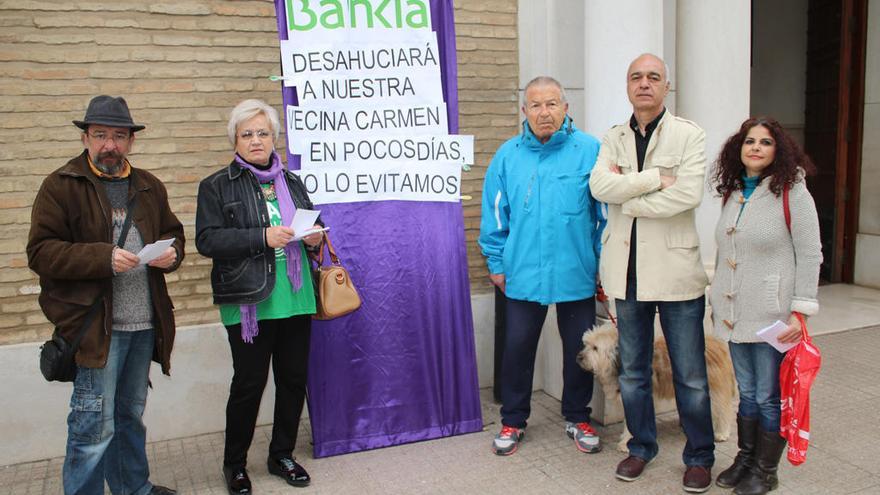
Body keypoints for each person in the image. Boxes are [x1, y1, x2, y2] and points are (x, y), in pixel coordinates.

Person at [27, 95, 184, 495]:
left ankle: (134, 488)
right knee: (93, 425)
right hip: (96, 329)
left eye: (118, 136)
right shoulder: (61, 185)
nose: (109, 144)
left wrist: (173, 254)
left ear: (131, 141)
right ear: (85, 138)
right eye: (100, 135)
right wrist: (103, 258)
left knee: (130, 415)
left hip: (143, 324)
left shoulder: (148, 185)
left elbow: (175, 233)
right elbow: (41, 252)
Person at [589, 53, 715, 492]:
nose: (644, 84)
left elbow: (688, 195)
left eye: (653, 77)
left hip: (677, 272)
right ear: (628, 86)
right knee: (633, 372)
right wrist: (651, 179)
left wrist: (630, 196)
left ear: (666, 87)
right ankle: (641, 446)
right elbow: (599, 186)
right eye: (636, 77)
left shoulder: (689, 135)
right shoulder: (613, 136)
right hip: (626, 273)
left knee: (690, 373)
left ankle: (699, 455)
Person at [195, 99, 325, 494]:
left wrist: (316, 237)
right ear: (235, 139)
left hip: (296, 297)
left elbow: (310, 224)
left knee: (292, 380)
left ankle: (281, 454)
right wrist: (261, 237)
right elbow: (207, 240)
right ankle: (234, 464)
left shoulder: (293, 182)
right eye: (247, 133)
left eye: (263, 133)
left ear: (274, 138)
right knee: (249, 384)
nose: (256, 140)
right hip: (249, 300)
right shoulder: (216, 185)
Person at [479, 76, 605, 456]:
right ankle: (513, 420)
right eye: (535, 105)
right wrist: (497, 263)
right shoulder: (508, 156)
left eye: (552, 104)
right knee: (517, 348)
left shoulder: (591, 150)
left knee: (579, 350)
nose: (544, 112)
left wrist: (602, 265)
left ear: (566, 108)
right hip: (522, 273)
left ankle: (577, 417)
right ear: (525, 111)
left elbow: (604, 217)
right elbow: (495, 216)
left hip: (576, 271)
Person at [709, 117, 822, 495]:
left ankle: (766, 470)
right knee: (749, 391)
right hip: (735, 314)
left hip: (773, 316)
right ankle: (746, 457)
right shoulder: (734, 192)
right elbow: (727, 252)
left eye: (766, 142)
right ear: (738, 149)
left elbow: (809, 254)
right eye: (749, 141)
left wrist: (799, 311)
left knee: (770, 394)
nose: (756, 147)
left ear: (779, 150)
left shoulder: (793, 192)